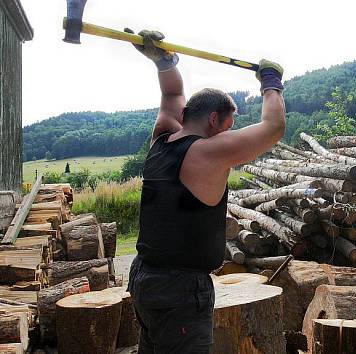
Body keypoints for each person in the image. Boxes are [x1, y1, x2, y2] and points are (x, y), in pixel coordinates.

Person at [125, 29, 285, 353]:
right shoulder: (208, 152)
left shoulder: (161, 138)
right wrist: (271, 81)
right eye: (228, 127)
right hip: (181, 290)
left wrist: (164, 63)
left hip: (144, 276)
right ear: (214, 119)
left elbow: (172, 97)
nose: (230, 137)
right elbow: (274, 126)